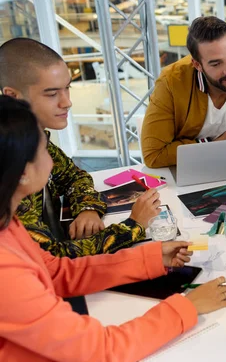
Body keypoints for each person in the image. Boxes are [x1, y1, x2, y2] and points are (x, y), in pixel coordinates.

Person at [0, 96, 226, 362]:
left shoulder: (7, 222)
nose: (52, 159)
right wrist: (188, 306)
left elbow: (56, 271)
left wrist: (151, 257)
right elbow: (103, 350)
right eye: (43, 150)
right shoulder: (5, 268)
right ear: (22, 172)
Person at [0, 38, 158, 258]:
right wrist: (133, 225)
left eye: (67, 88)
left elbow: (74, 176)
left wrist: (87, 209)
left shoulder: (34, 139)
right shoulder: (10, 163)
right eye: (52, 93)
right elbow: (53, 258)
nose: (67, 102)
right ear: (12, 96)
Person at [141, 16, 226, 168]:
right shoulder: (171, 82)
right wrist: (218, 143)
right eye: (216, 63)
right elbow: (154, 155)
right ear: (197, 64)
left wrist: (197, 149)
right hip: (191, 172)